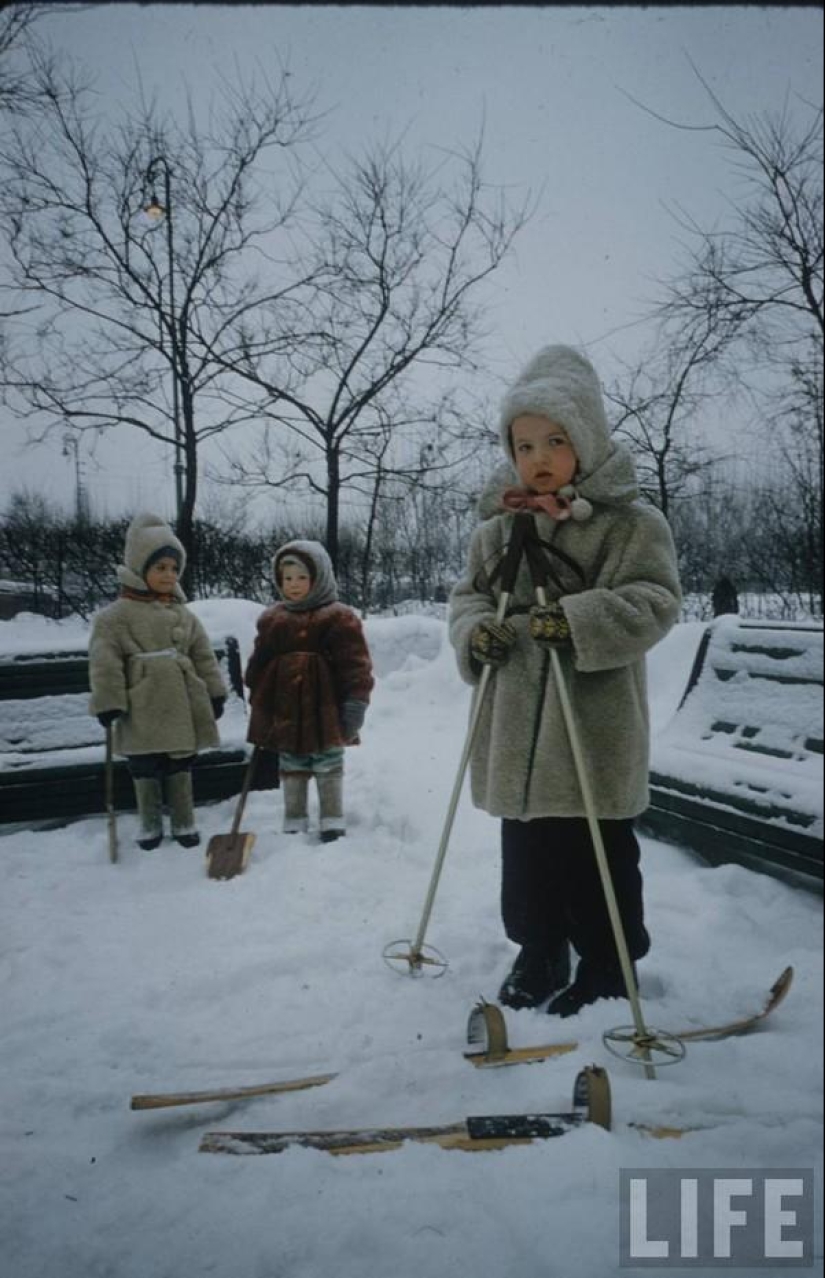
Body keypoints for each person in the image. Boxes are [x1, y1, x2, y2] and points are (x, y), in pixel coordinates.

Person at [448, 345, 682, 1017]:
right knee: (525, 853)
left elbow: (655, 600)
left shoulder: (630, 525)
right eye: (523, 445)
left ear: (586, 441)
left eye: (555, 440)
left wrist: (576, 620)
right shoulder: (496, 530)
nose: (538, 457)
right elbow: (466, 599)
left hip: (590, 719)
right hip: (515, 721)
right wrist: (475, 633)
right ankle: (539, 946)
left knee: (595, 852)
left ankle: (609, 963)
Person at [88, 512, 228, 850]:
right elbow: (105, 662)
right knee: (144, 764)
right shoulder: (115, 617)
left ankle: (184, 820)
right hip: (142, 703)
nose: (168, 575)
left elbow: (202, 654)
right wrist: (109, 702)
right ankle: (149, 824)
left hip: (180, 701)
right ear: (139, 568)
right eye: (160, 567)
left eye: (173, 568)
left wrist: (214, 691)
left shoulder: (184, 613)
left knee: (181, 760)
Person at [244, 539, 374, 842]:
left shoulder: (338, 616)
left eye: (302, 577)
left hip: (324, 707)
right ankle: (295, 816)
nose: (294, 585)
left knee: (327, 759)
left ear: (319, 578)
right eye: (287, 578)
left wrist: (356, 701)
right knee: (291, 760)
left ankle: (332, 817)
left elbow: (355, 664)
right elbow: (259, 661)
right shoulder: (273, 619)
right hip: (286, 707)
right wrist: (257, 690)